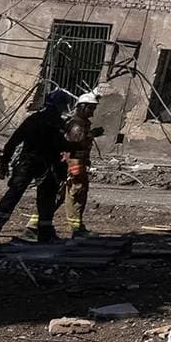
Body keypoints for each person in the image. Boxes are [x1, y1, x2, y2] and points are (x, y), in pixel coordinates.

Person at [0, 88, 75, 244]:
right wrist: (80, 143)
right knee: (45, 199)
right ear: (60, 106)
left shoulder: (33, 119)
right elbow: (62, 145)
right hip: (45, 166)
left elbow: (13, 141)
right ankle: (44, 234)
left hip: (27, 163)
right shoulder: (57, 123)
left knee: (13, 195)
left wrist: (4, 162)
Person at [57, 92, 103, 237]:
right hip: (74, 162)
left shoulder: (81, 123)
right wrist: (91, 135)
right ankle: (77, 228)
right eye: (90, 108)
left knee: (61, 194)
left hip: (76, 161)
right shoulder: (77, 125)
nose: (92, 112)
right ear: (82, 107)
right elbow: (74, 145)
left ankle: (35, 224)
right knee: (76, 193)